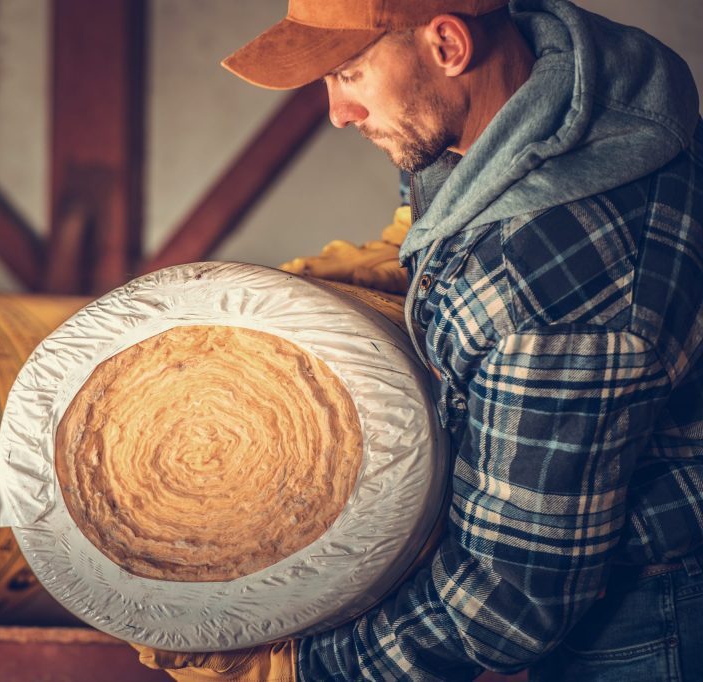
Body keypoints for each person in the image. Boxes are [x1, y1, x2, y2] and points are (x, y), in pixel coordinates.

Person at [135, 0, 703, 679]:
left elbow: (504, 603)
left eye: (348, 74)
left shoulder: (548, 298)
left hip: (646, 620)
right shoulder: (572, 85)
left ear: (447, 44)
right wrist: (407, 251)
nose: (337, 114)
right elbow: (459, 193)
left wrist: (296, 668)